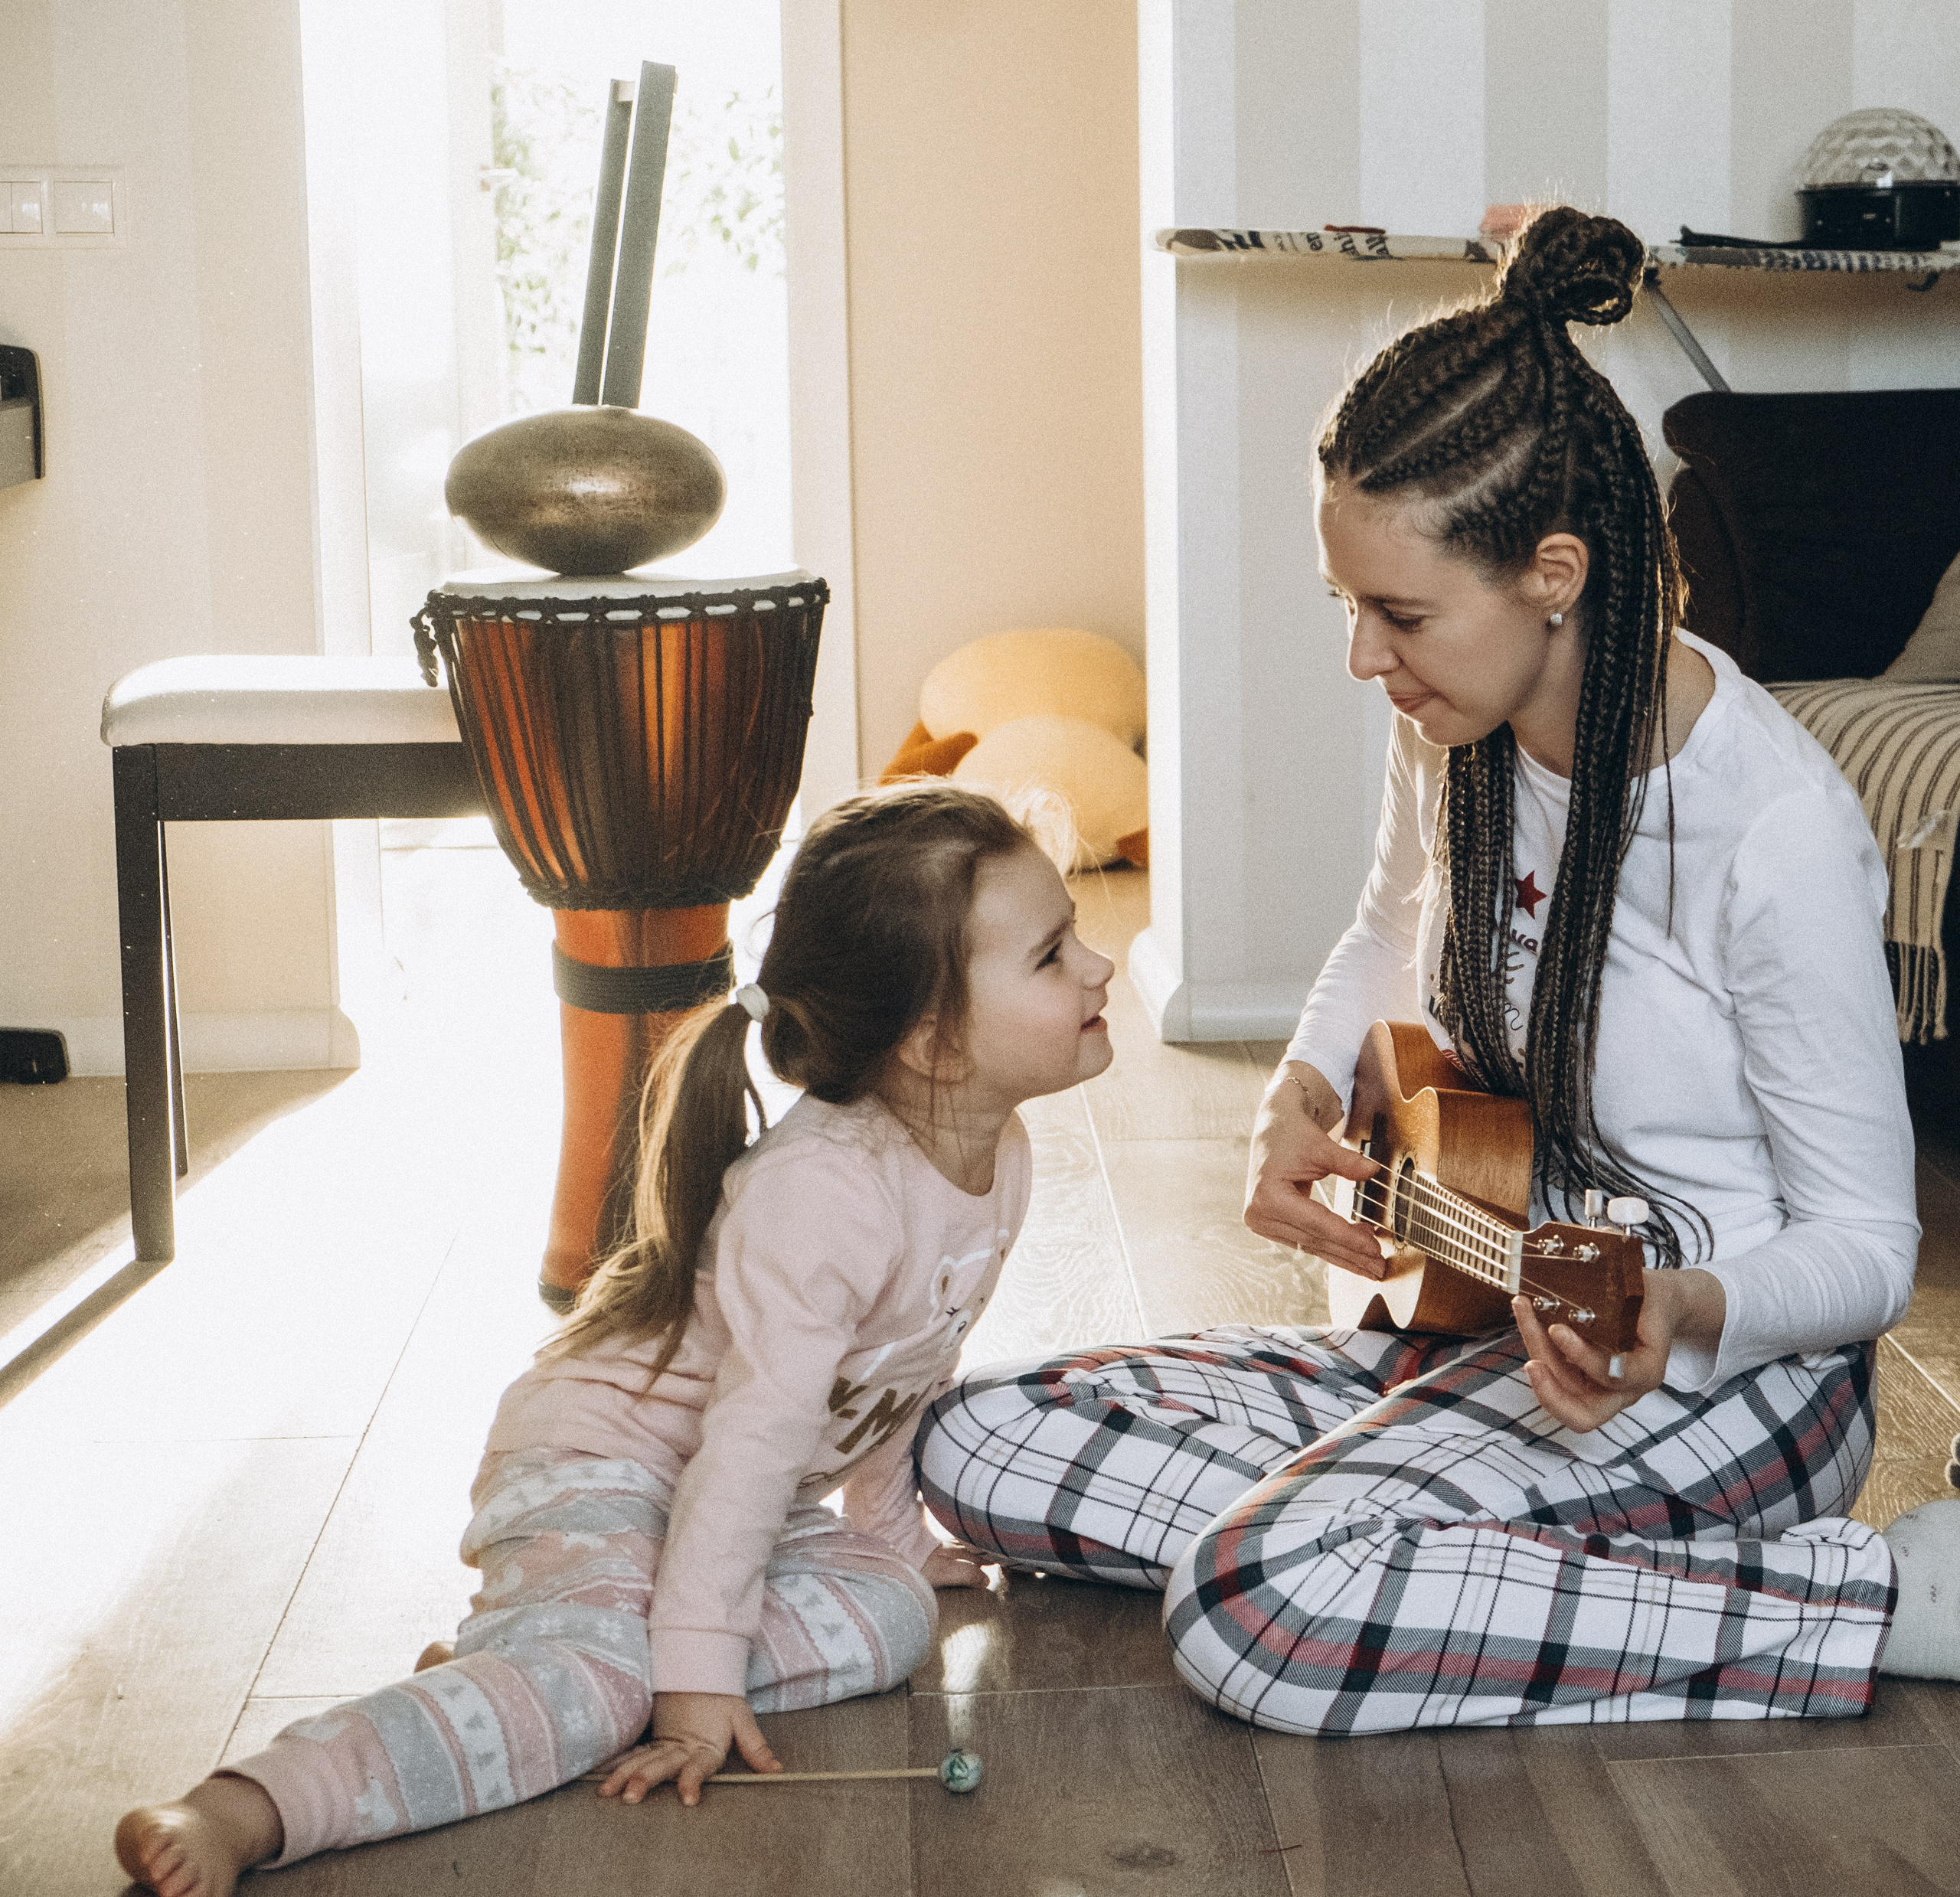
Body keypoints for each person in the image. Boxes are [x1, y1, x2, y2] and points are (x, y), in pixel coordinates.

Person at [917, 205, 1946, 1733]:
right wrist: (1298, 1089)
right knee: (974, 1442)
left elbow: (1866, 1250)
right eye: (1347, 603)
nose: (1361, 658)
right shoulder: (1457, 733)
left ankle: (1881, 1602)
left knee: (1255, 1605)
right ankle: (1445, 1559)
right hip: (1481, 1332)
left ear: (1551, 570)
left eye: (1395, 613)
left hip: (1726, 1388)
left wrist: (1678, 1305)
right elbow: (1389, 929)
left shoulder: (1769, 827)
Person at [115, 782, 1116, 1895]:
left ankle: (545, 1663)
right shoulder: (829, 1194)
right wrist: (691, 1681)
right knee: (604, 1691)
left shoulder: (996, 1150)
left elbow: (902, 1363)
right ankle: (256, 1803)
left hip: (730, 1492)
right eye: (1053, 954)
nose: (1100, 967)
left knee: (890, 1612)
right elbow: (750, 1441)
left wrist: (893, 1531)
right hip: (599, 1461)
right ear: (931, 1040)